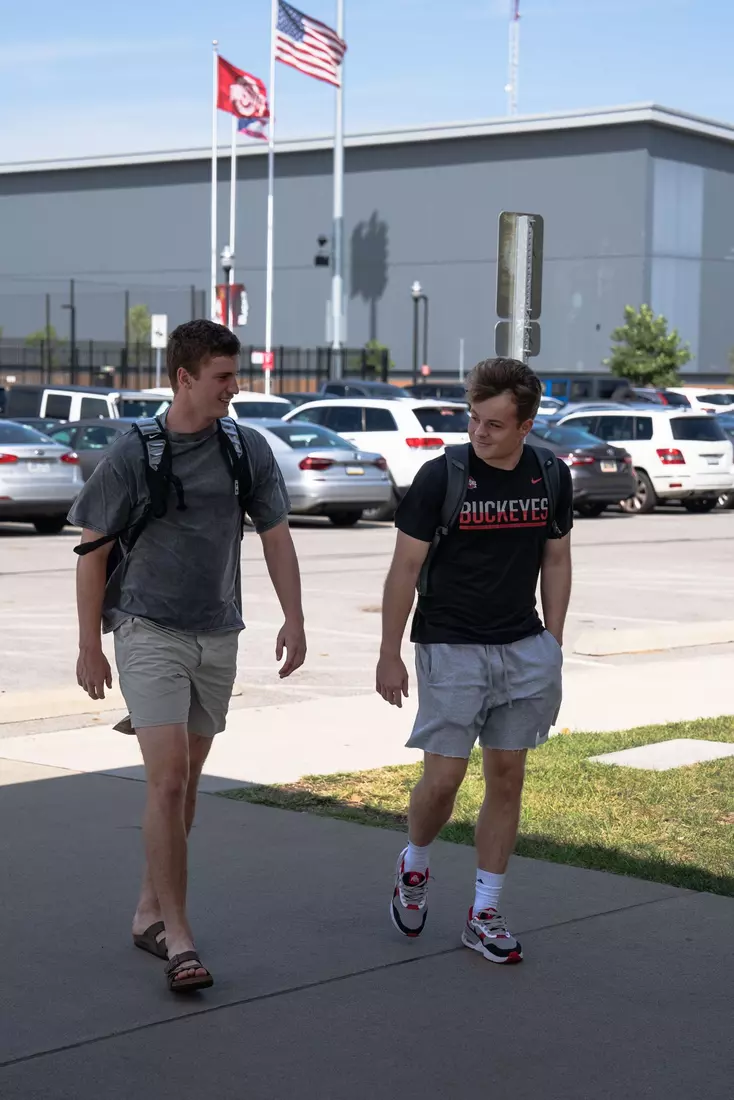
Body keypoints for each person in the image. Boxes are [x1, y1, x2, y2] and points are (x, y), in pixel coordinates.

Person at [71, 320, 306, 993]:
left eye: (235, 375)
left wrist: (294, 616)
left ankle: (149, 911)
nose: (236, 388)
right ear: (184, 379)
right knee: (167, 781)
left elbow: (276, 536)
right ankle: (179, 939)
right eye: (224, 377)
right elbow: (92, 553)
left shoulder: (245, 450)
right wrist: (90, 642)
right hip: (149, 629)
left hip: (217, 632)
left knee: (189, 784)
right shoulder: (134, 452)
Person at [376, 357, 572, 964]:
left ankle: (484, 911)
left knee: (507, 775)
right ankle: (416, 862)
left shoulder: (550, 474)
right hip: (450, 643)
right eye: (473, 419)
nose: (478, 432)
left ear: (525, 425)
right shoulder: (443, 477)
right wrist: (389, 653)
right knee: (443, 781)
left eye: (493, 423)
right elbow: (404, 568)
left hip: (522, 646)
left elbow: (557, 560)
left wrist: (553, 644)